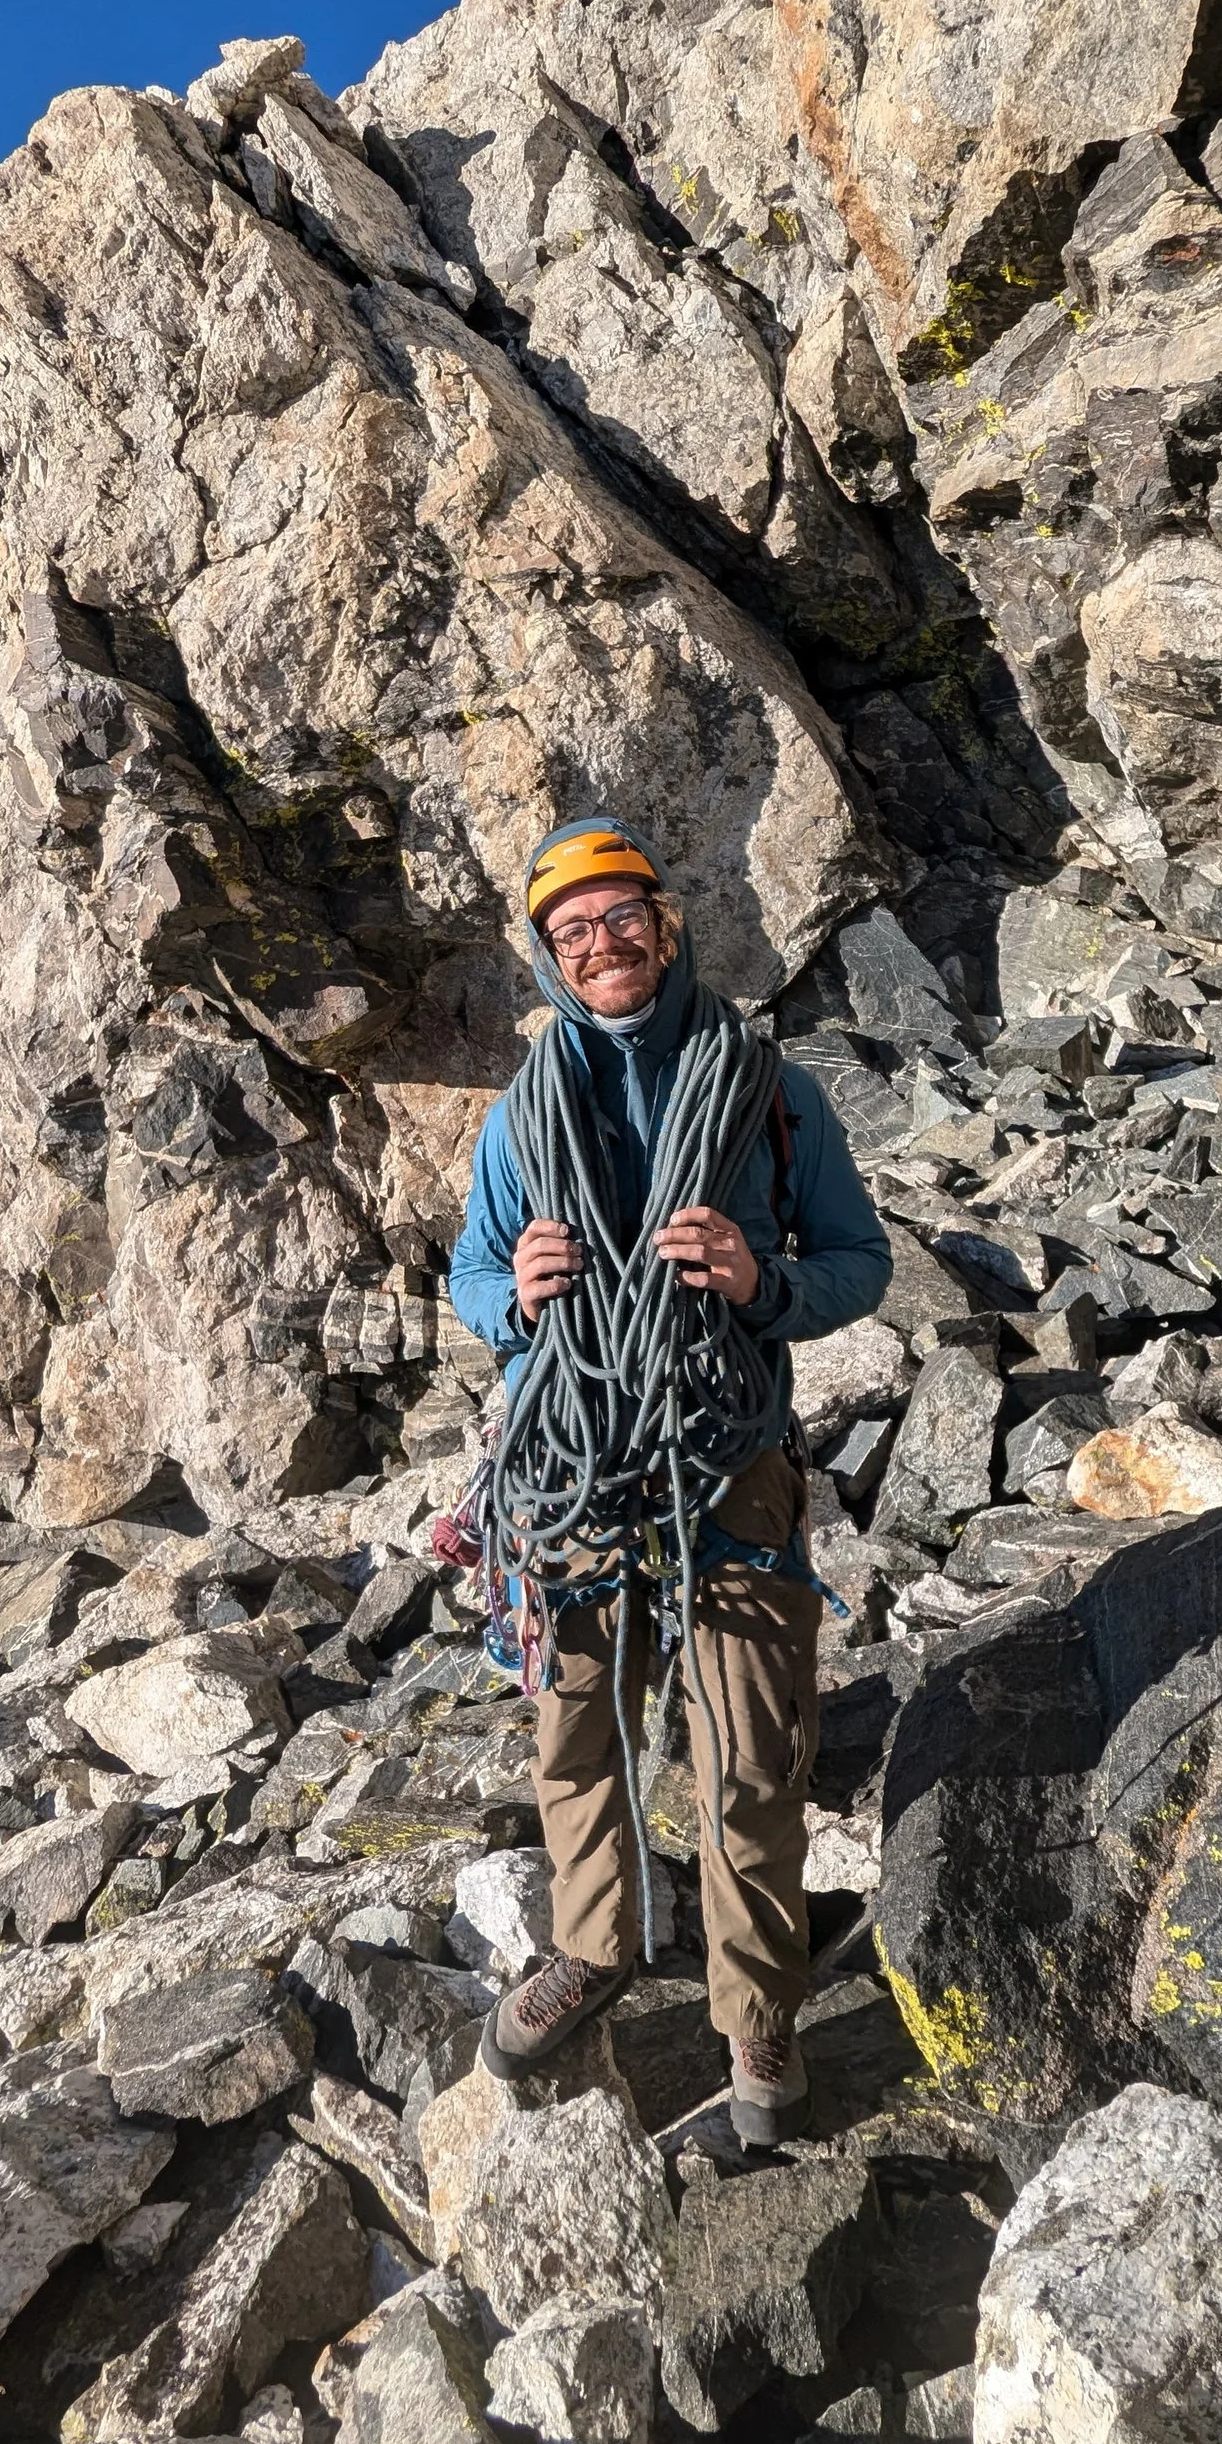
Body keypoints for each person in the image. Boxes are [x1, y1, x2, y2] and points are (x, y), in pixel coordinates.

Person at [448, 817, 892, 2144]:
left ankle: (756, 2015)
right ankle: (594, 1946)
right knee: (575, 1725)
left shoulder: (765, 1090)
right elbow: (471, 1276)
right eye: (571, 931)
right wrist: (511, 1300)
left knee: (749, 1748)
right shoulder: (520, 1119)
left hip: (727, 1453)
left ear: (669, 922)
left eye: (620, 916)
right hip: (579, 1459)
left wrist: (766, 1285)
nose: (602, 944)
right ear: (546, 958)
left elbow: (860, 1262)